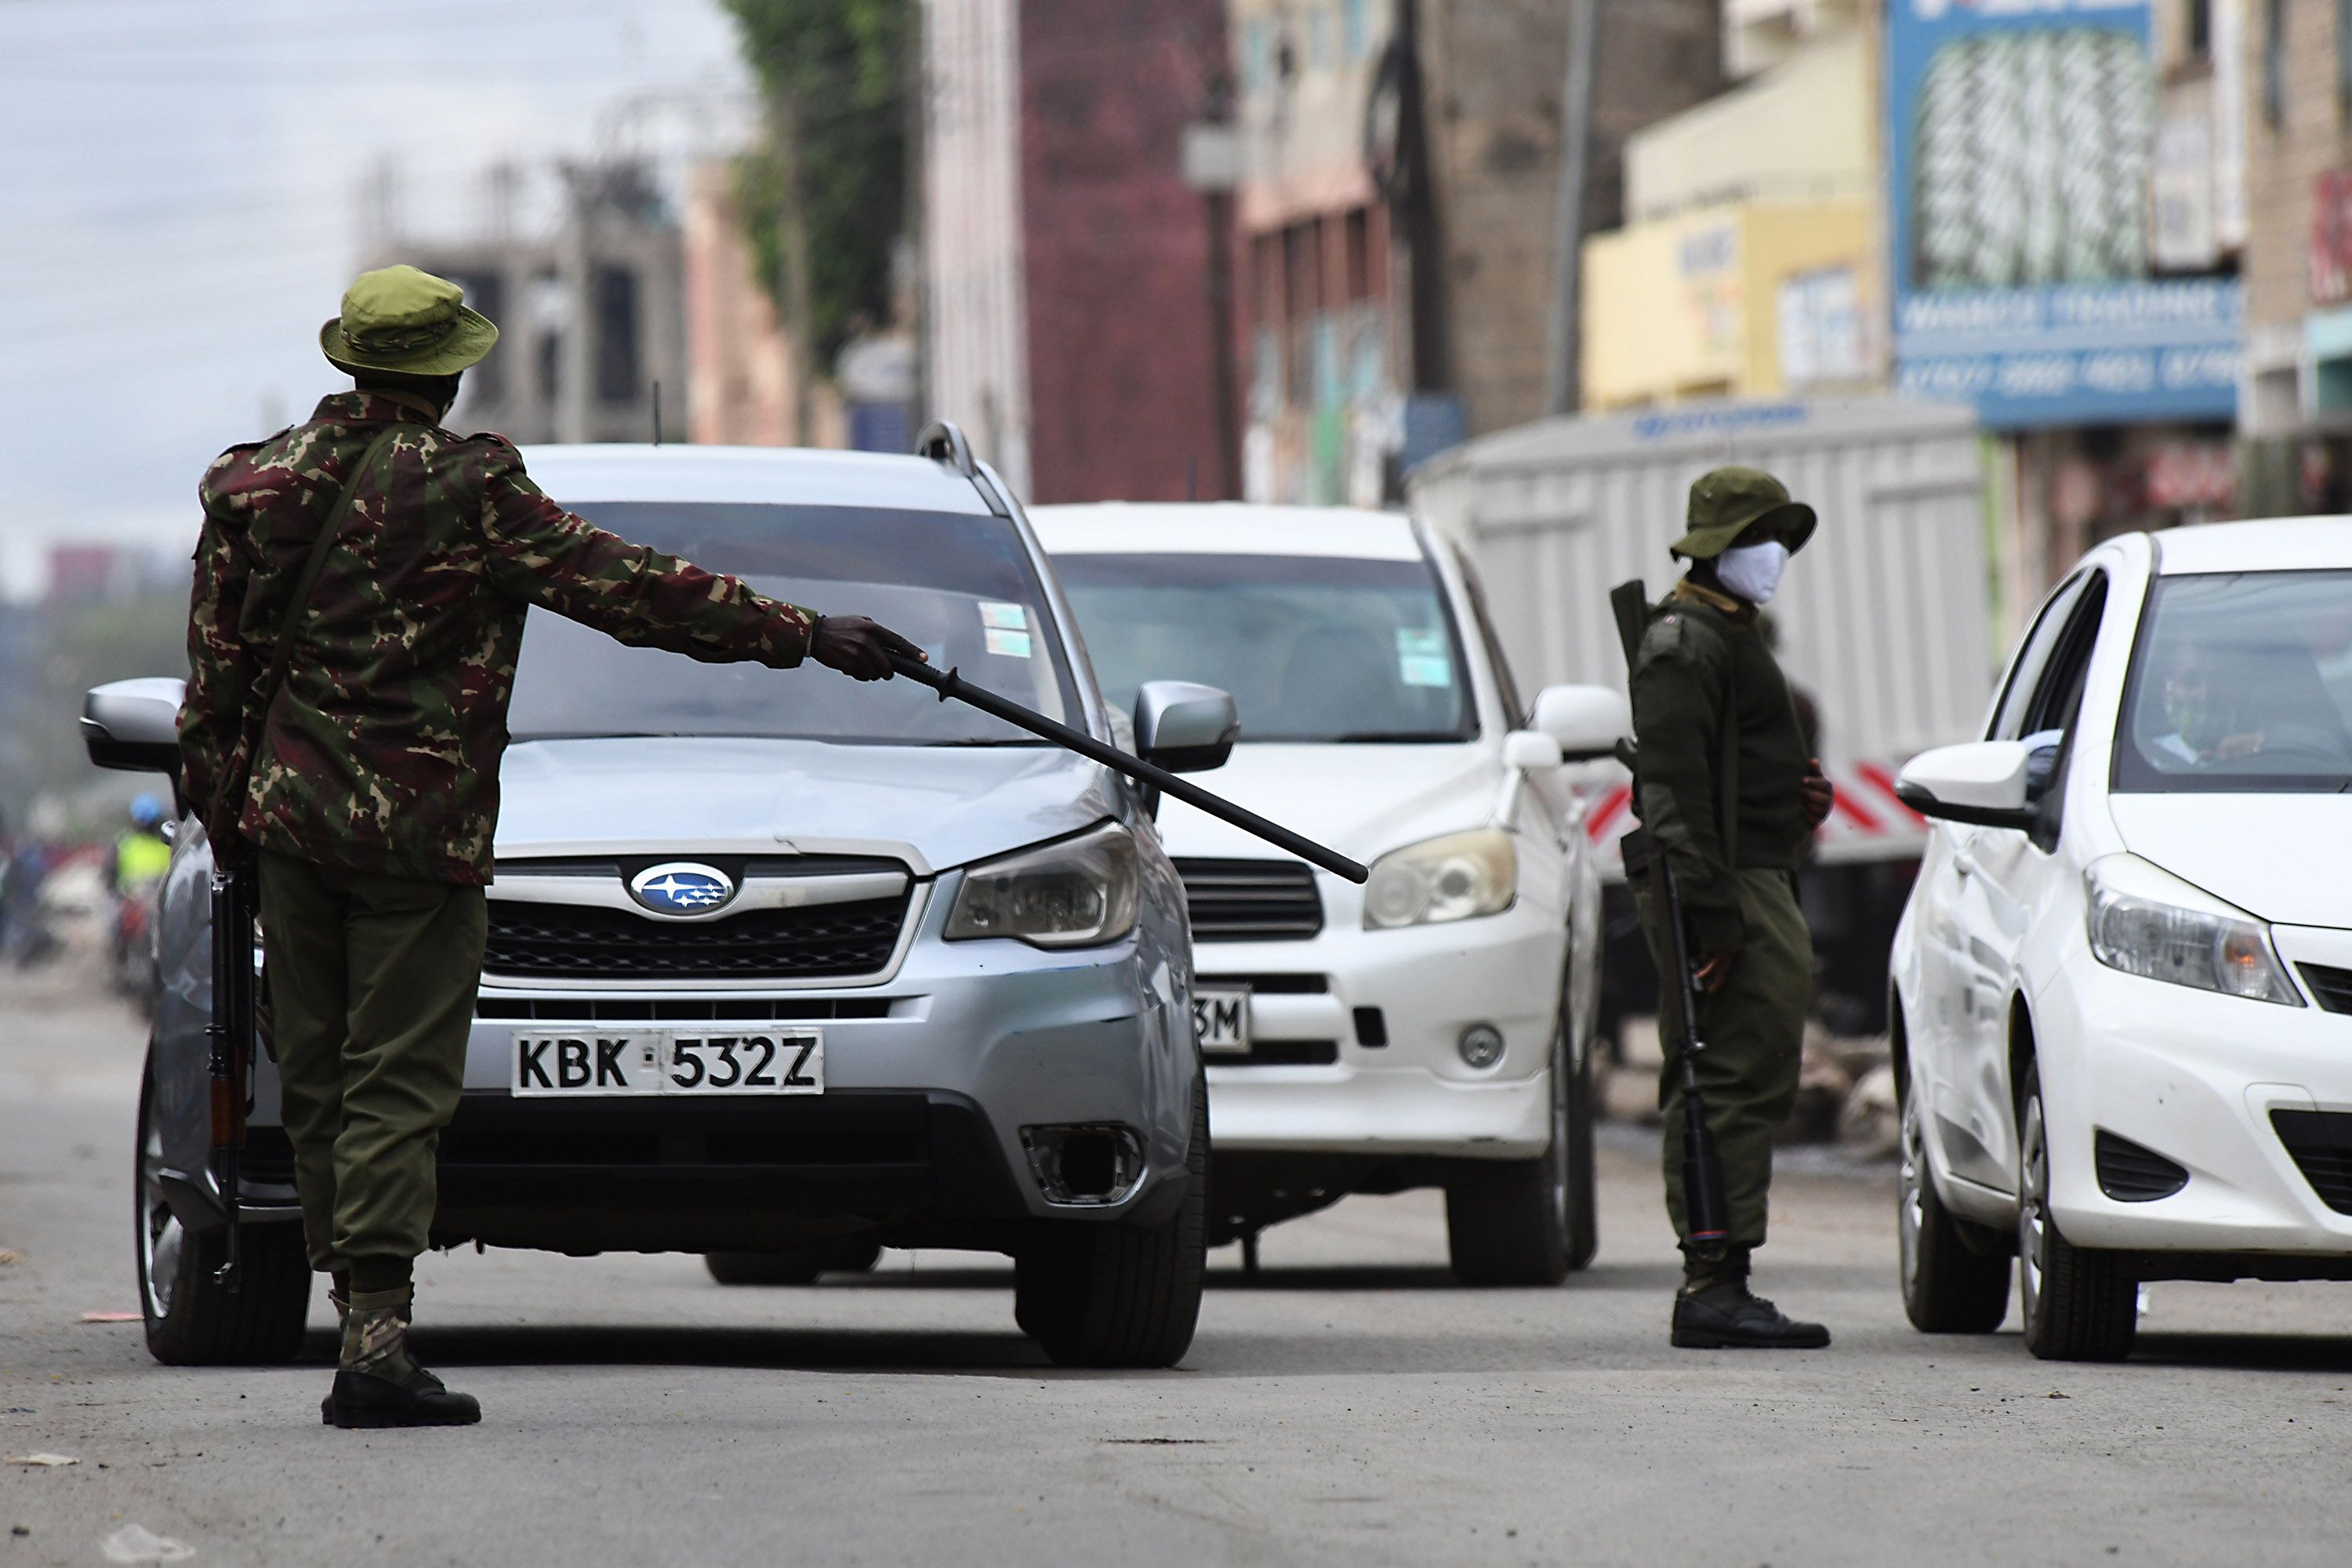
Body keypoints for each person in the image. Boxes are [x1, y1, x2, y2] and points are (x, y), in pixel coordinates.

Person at [179, 265, 925, 1429]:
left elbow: (212, 683)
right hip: (418, 840)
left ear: (349, 360)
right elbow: (628, 589)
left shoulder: (251, 482)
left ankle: (358, 1307)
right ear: (451, 370)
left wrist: (223, 814)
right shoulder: (469, 485)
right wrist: (803, 633)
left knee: (319, 1080)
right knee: (394, 1083)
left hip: (285, 829)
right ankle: (375, 1343)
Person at [1626, 466, 1835, 1350]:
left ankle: (1723, 1274)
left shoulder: (1727, 632)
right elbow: (1672, 795)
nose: (1773, 557)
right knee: (1722, 1074)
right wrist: (1713, 920)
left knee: (1752, 1068)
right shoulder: (1685, 639)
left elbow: (1729, 768)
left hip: (1756, 876)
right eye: (1757, 539)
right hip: (1724, 887)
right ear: (1714, 549)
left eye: (1780, 539)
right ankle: (1713, 1280)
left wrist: (1797, 802)